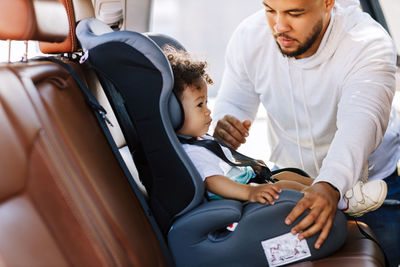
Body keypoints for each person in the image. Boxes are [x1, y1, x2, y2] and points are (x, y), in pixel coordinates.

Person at [212, 0, 399, 264]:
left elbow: (360, 121)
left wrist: (330, 183)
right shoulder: (249, 37)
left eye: (294, 13)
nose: (279, 26)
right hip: (292, 184)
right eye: (270, 10)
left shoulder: (366, 41)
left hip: (372, 187)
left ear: (327, 3)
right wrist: (225, 124)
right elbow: (235, 102)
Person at [164, 45, 388, 219]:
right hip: (238, 195)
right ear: (173, 112)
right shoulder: (190, 152)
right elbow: (213, 182)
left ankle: (337, 188)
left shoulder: (200, 140)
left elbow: (224, 161)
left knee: (288, 176)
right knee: (282, 185)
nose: (208, 110)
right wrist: (249, 193)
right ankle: (343, 203)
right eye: (200, 105)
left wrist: (250, 164)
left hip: (245, 181)